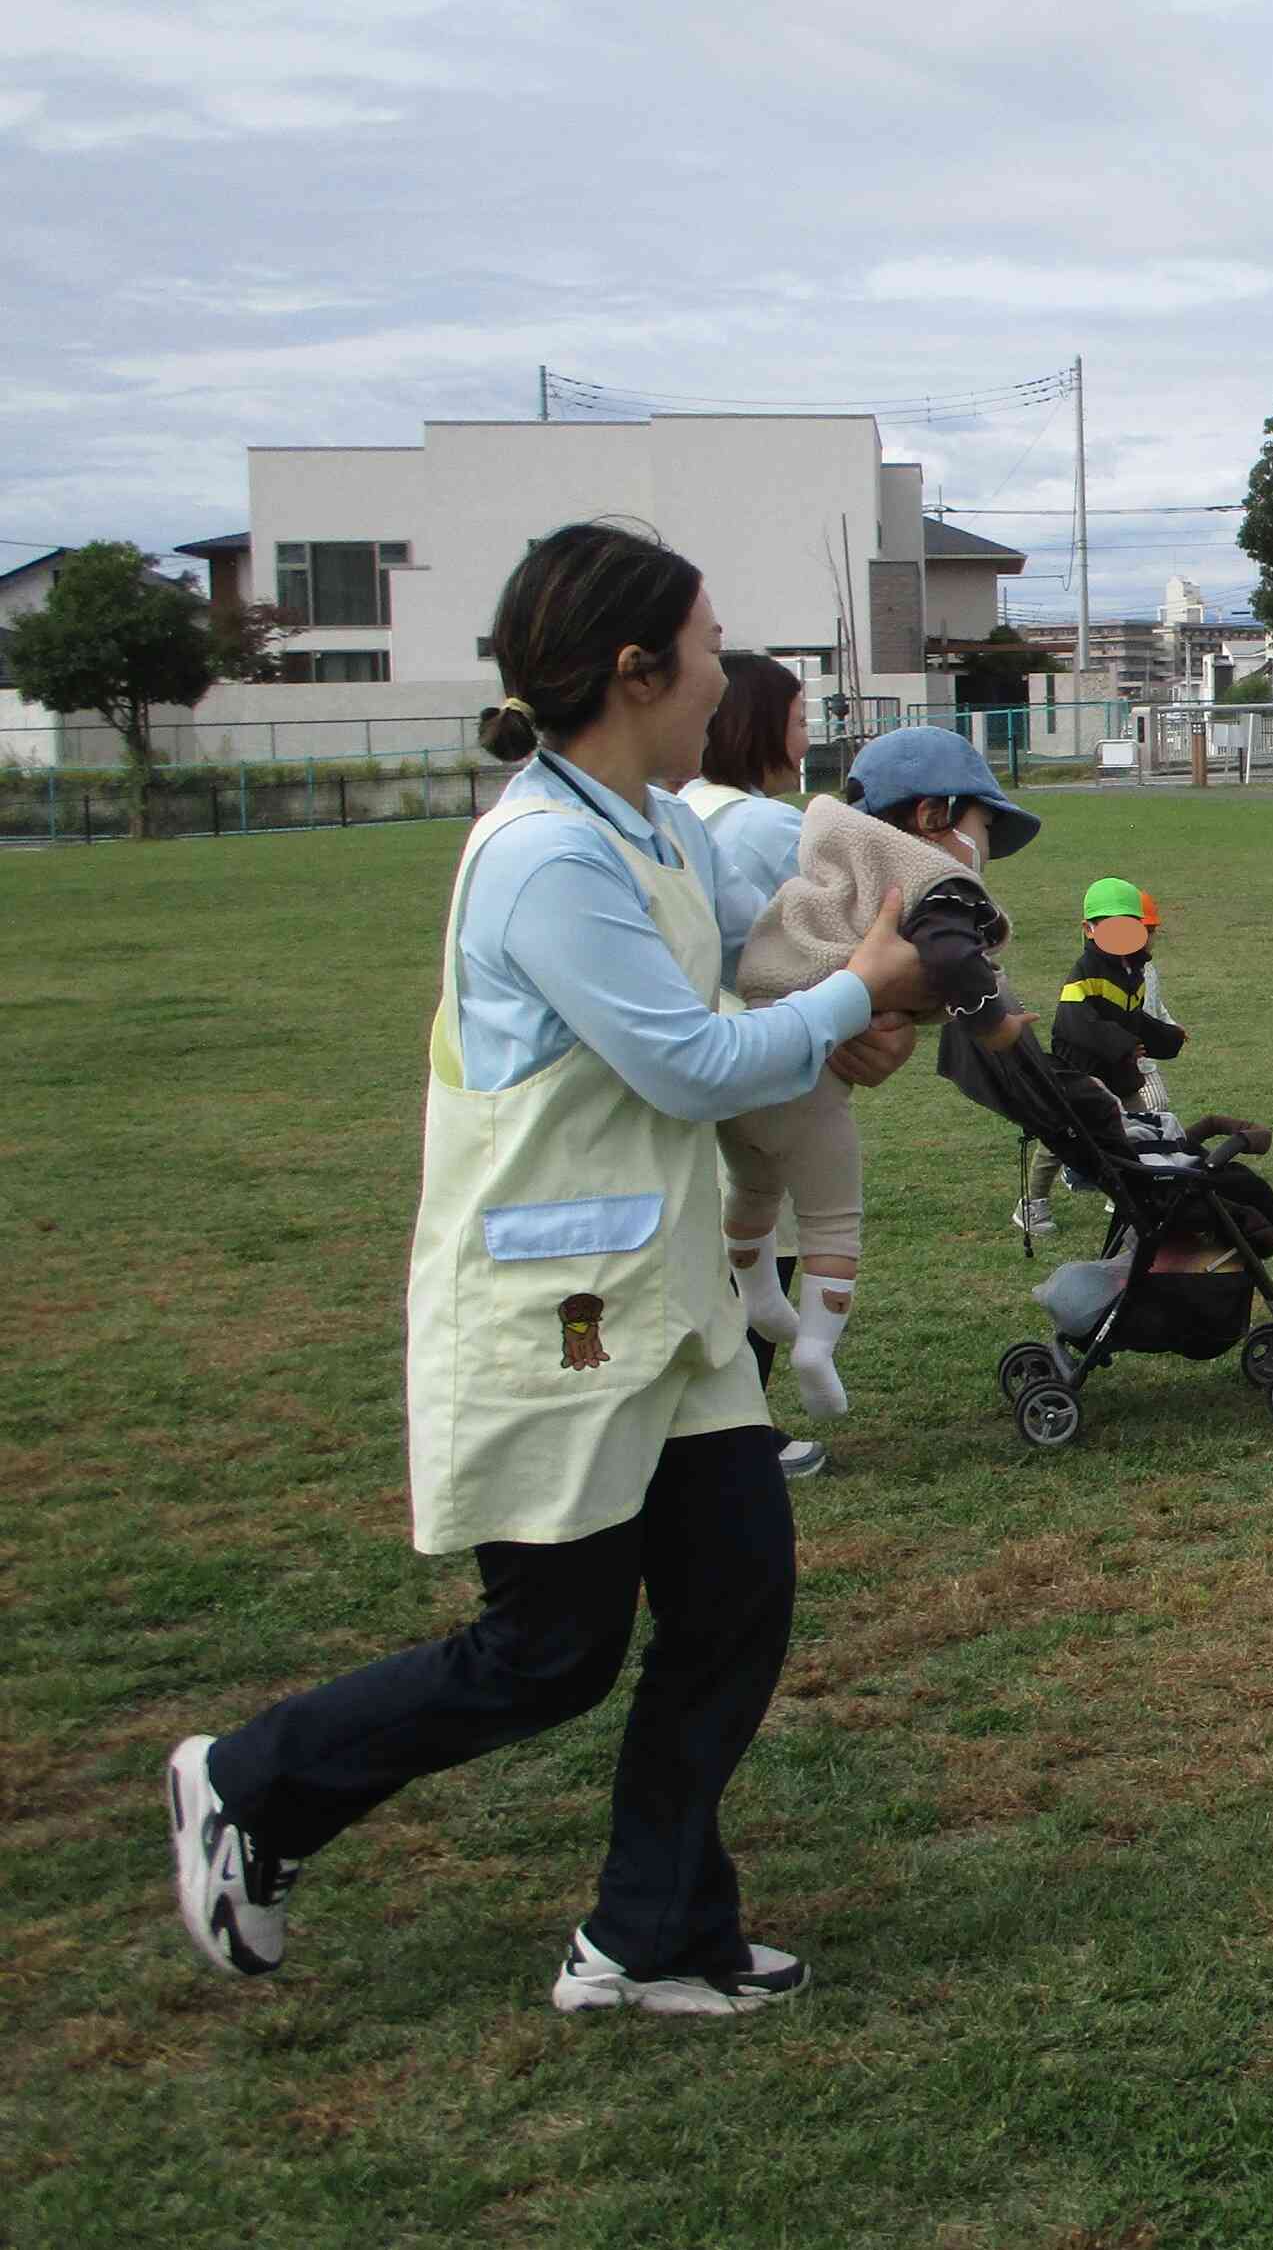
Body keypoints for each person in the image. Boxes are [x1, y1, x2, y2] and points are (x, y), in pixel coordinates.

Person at [166, 520, 931, 2015]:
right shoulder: (544, 855)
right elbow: (691, 1060)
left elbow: (731, 985)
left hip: (664, 1298)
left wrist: (850, 1017)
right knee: (549, 1649)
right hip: (560, 1304)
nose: (726, 670)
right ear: (638, 667)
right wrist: (856, 988)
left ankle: (651, 1933)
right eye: (708, 644)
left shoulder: (654, 823)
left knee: (734, 1596)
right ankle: (253, 1783)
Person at [721, 724, 1036, 1421]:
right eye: (981, 830)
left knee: (753, 1189)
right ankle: (815, 1348)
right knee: (831, 1219)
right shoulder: (931, 883)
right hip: (807, 1081)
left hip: (743, 1067)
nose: (982, 855)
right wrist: (993, 1021)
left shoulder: (828, 861)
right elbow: (954, 962)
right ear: (933, 816)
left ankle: (761, 1295)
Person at [677, 651, 833, 1478]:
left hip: (698, 1074)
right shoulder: (768, 826)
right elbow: (822, 946)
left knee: (721, 1246)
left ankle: (735, 1428)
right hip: (755, 1064)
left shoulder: (683, 811)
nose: (809, 734)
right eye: (802, 717)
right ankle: (747, 1433)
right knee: (762, 1244)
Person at [1015, 877, 1183, 1240]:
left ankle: (1133, 1201)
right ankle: (1031, 1204)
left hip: (1118, 1071)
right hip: (1080, 1072)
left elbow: (1134, 1016)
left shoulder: (1134, 972)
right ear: (1089, 929)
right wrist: (1124, 1044)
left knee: (1136, 1127)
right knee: (1060, 1137)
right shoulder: (1084, 974)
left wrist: (1165, 1038)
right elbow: (1077, 1024)